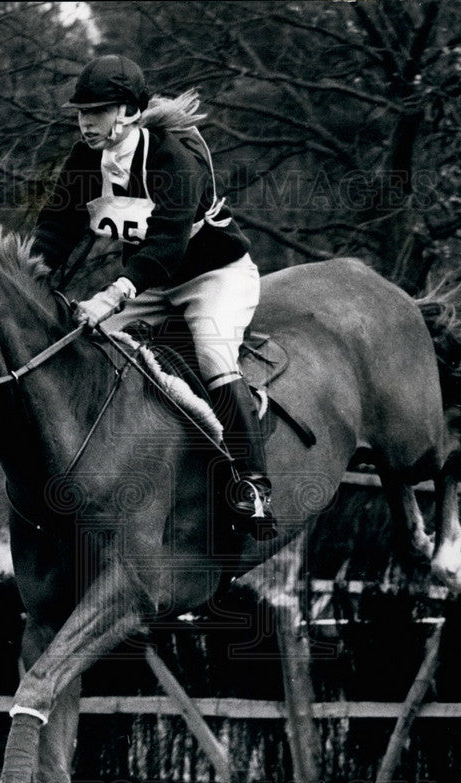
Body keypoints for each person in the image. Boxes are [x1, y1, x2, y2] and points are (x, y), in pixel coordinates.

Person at [31, 54, 277, 540]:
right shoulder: (86, 159)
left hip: (214, 276)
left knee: (212, 357)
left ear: (127, 112)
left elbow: (166, 244)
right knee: (85, 345)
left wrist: (114, 294)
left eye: (96, 111)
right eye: (81, 112)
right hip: (154, 282)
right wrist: (30, 274)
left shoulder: (171, 157)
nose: (85, 121)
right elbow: (57, 227)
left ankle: (252, 485)